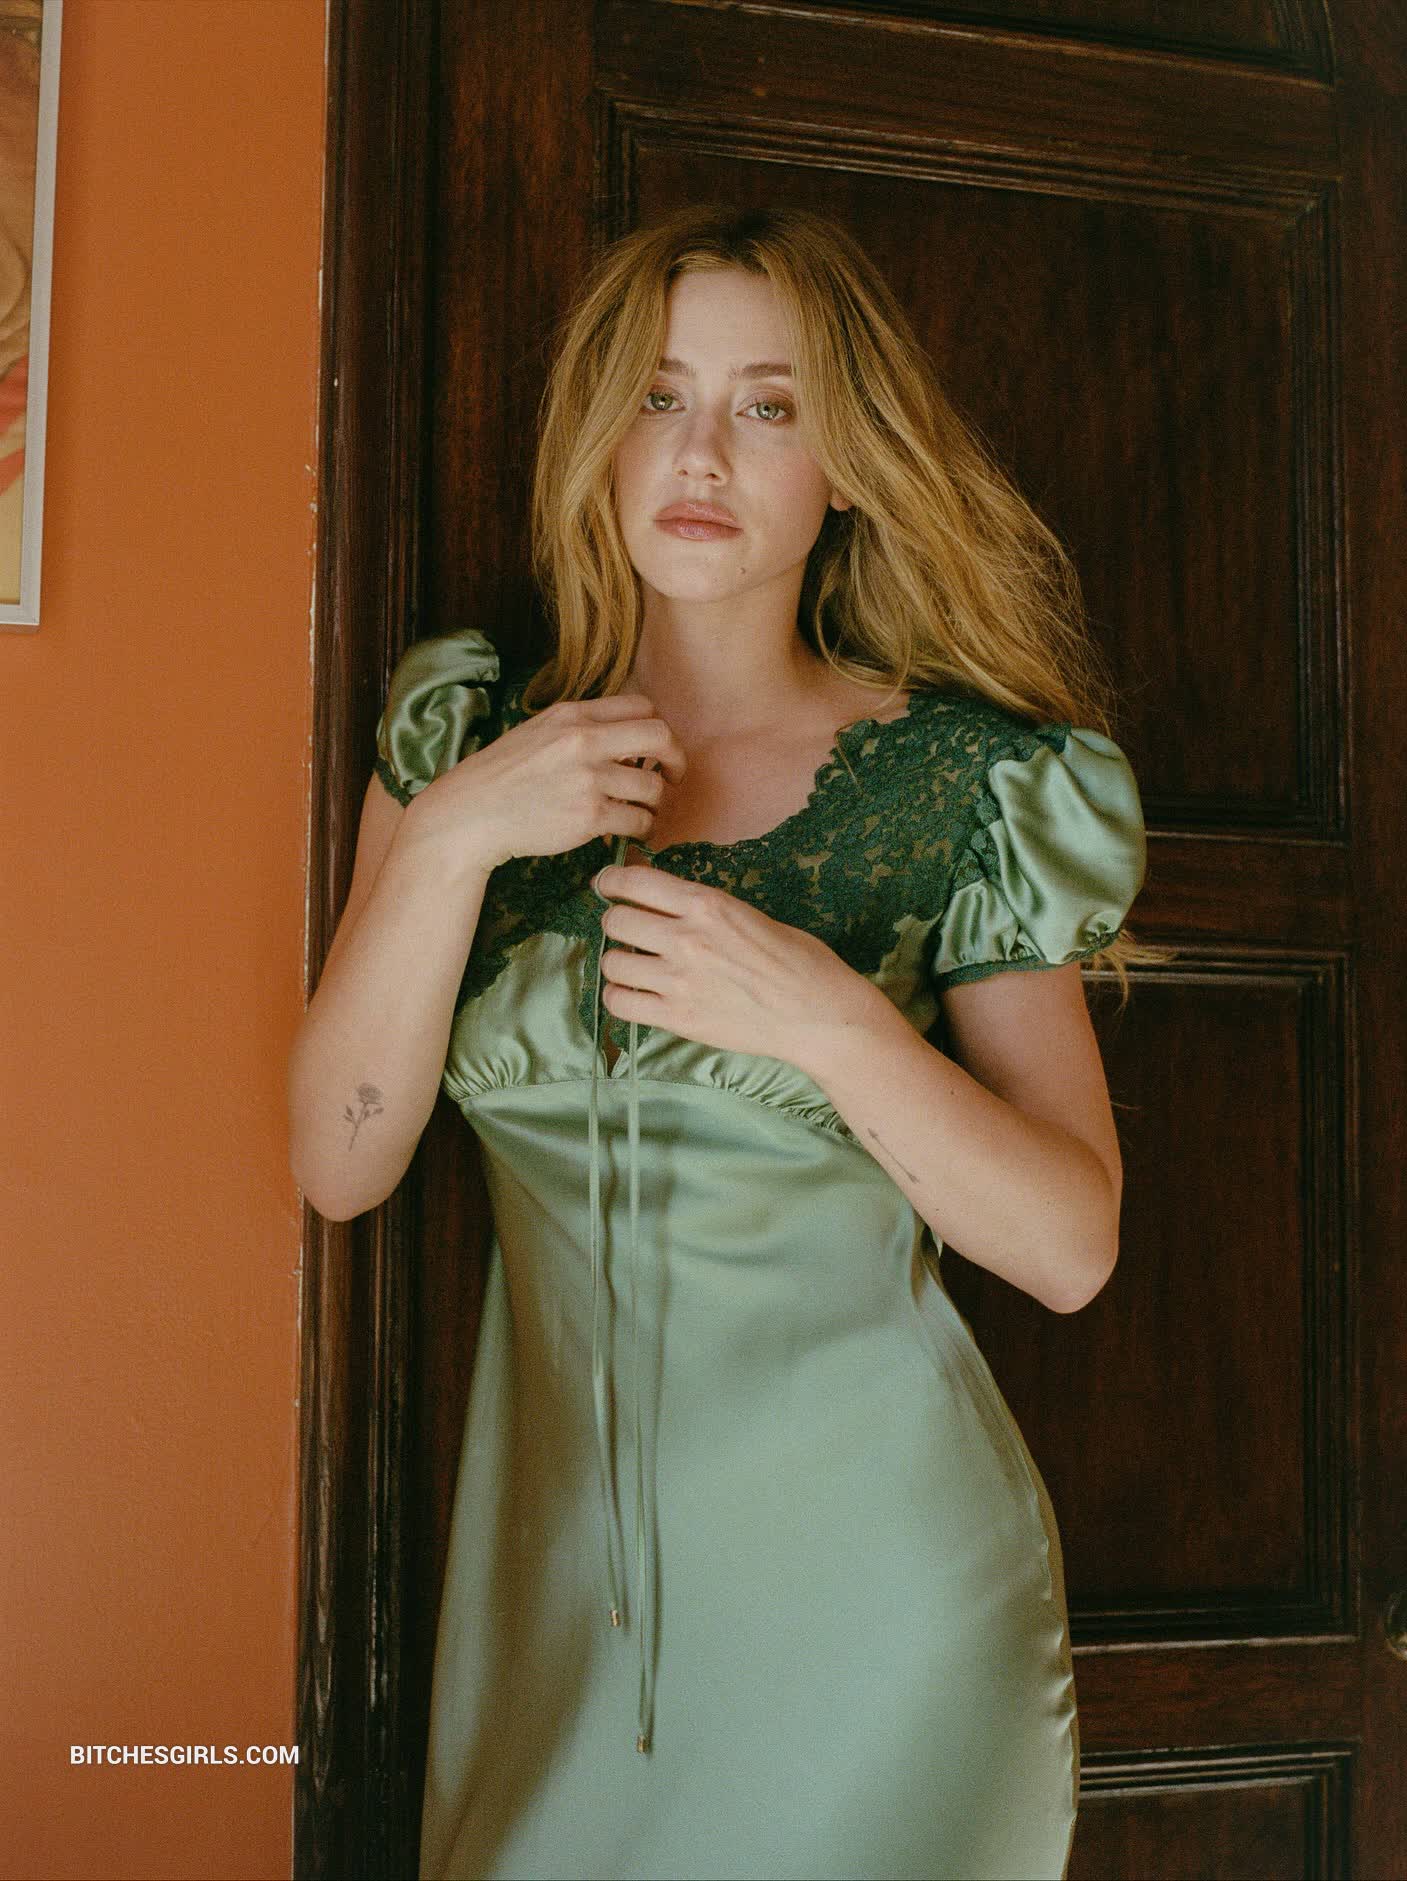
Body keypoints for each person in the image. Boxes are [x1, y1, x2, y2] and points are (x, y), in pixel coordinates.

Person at [287, 203, 1154, 1881]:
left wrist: (822, 1016)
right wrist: (458, 835)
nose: (700, 452)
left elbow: (1070, 1246)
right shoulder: (465, 736)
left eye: (768, 406)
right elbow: (338, 1160)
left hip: (889, 1618)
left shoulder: (962, 786)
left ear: (847, 466)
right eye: (658, 395)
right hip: (557, 1624)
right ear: (598, 436)